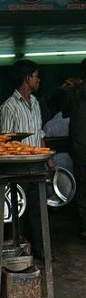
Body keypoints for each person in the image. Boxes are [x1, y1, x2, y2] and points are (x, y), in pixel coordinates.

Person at [0, 60, 54, 260]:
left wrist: (47, 158)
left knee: (37, 210)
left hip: (37, 164)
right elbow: (4, 142)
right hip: (17, 168)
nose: (39, 80)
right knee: (18, 212)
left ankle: (41, 250)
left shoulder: (36, 103)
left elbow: (39, 133)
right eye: (36, 76)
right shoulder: (9, 107)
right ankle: (19, 252)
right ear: (27, 78)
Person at [61, 59, 86, 240]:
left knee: (83, 189)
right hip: (80, 148)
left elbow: (64, 111)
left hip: (80, 149)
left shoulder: (74, 92)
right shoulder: (75, 92)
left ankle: (85, 227)